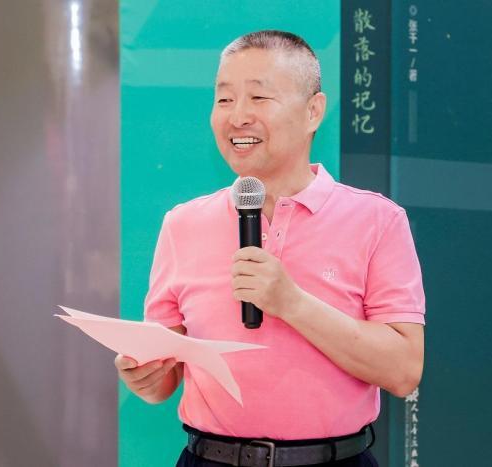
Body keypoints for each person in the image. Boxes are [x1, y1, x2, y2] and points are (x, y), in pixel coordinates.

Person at [115, 30, 425, 467]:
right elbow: (164, 376)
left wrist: (291, 302)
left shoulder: (377, 220)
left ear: (313, 111)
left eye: (259, 98)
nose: (238, 116)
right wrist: (145, 377)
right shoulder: (182, 224)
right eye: (224, 99)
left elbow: (403, 370)